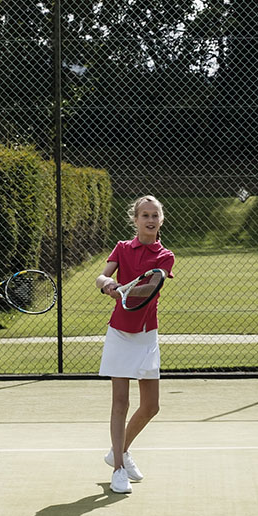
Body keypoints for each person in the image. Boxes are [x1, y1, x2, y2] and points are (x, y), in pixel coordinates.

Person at [95, 195, 175, 494]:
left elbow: (150, 286)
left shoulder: (165, 256)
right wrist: (108, 285)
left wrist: (124, 290)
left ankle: (119, 451)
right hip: (119, 333)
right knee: (120, 401)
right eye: (145, 215)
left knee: (151, 406)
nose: (150, 220)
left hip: (146, 335)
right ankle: (118, 469)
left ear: (161, 220)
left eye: (155, 215)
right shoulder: (121, 248)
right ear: (135, 219)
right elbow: (102, 275)